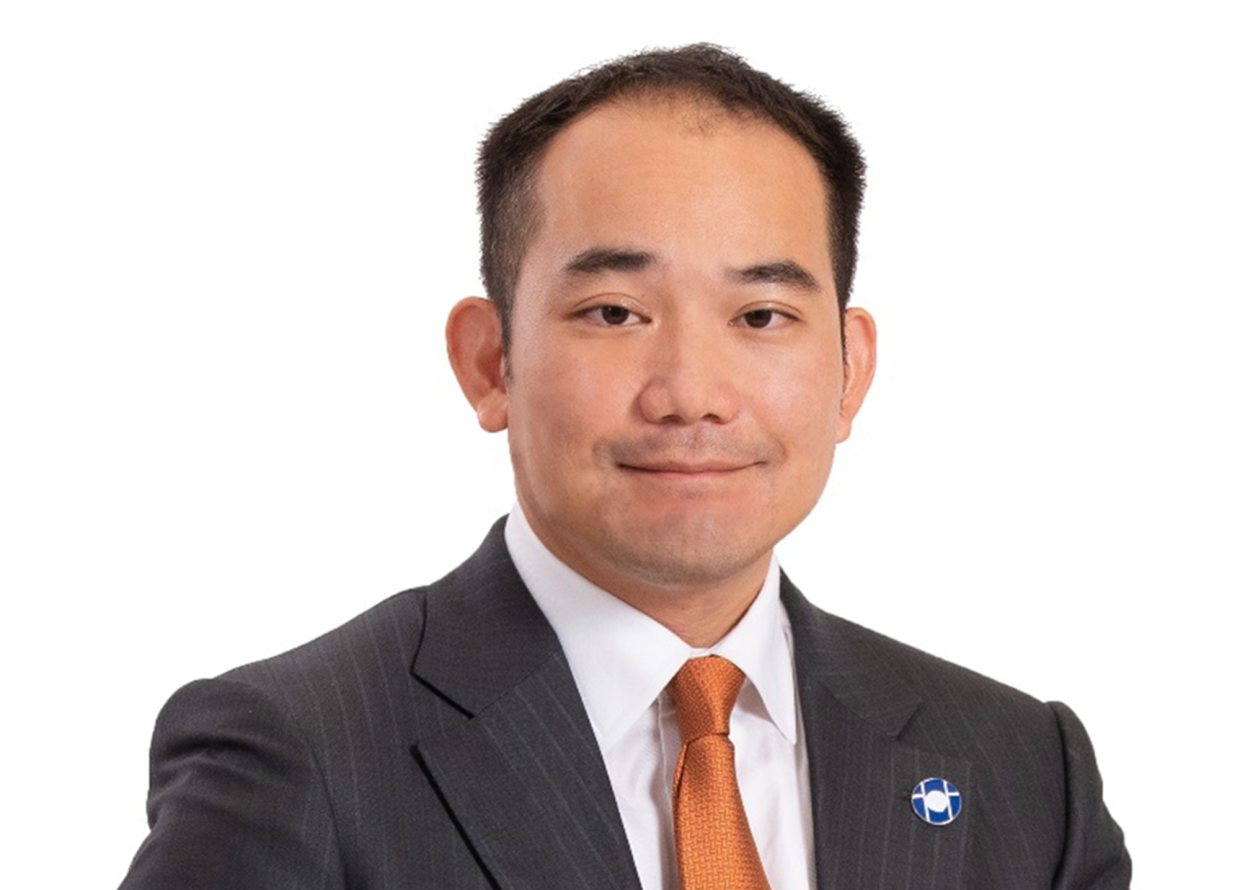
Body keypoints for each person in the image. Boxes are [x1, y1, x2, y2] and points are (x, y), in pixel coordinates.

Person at [119, 44, 1130, 889]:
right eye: (614, 312)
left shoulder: (1022, 772)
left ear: (849, 371)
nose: (692, 393)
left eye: (761, 315)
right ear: (490, 362)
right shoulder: (298, 753)